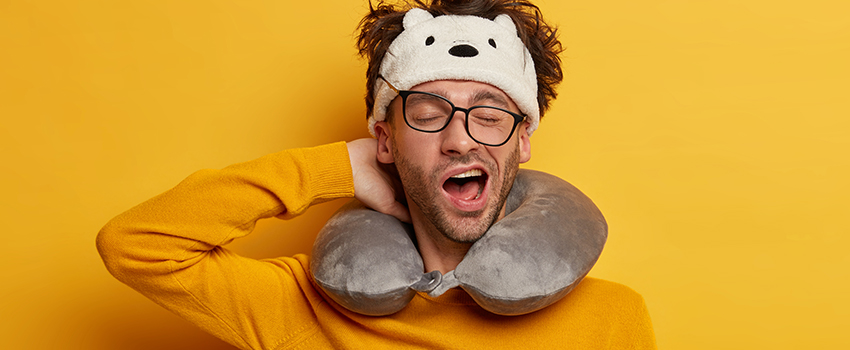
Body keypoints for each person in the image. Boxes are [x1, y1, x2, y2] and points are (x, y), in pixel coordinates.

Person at [97, 0, 656, 348]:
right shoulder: (301, 306)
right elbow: (134, 246)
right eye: (428, 114)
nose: (460, 139)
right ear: (384, 139)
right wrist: (335, 167)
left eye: (489, 115)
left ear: (522, 140)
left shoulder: (609, 320)